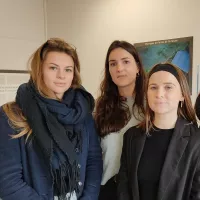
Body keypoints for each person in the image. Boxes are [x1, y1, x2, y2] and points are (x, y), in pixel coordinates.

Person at [0, 38, 102, 200]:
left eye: (68, 70)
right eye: (53, 68)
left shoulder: (82, 112)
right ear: (39, 70)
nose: (61, 75)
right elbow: (8, 181)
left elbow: (94, 161)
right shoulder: (11, 115)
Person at [117, 63, 200, 200]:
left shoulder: (196, 140)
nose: (159, 94)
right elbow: (124, 184)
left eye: (168, 87)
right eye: (153, 87)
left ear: (182, 95)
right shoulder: (132, 136)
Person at [94, 40, 146, 200]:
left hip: (142, 190)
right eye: (113, 63)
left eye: (126, 61)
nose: (119, 68)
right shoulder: (101, 107)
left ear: (137, 67)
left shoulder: (151, 105)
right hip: (108, 190)